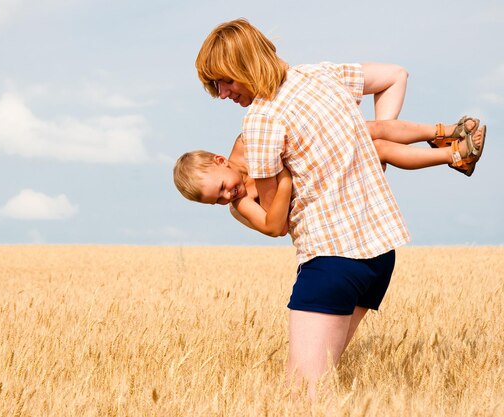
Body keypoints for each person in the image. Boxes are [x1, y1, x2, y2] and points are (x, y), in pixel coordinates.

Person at [193, 18, 485, 398]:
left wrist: (282, 180)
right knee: (322, 383)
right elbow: (397, 74)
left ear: (243, 63)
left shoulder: (261, 122)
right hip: (379, 254)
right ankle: (449, 148)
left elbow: (276, 222)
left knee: (303, 395)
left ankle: (448, 148)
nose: (221, 94)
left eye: (224, 81)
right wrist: (371, 148)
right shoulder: (323, 75)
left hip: (332, 258)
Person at [173, 117, 486, 237]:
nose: (228, 196)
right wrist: (284, 182)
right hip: (321, 196)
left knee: (370, 130)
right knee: (378, 150)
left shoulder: (248, 142)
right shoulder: (241, 205)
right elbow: (276, 228)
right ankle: (455, 156)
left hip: (316, 162)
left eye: (223, 189)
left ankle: (445, 133)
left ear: (221, 160)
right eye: (218, 201)